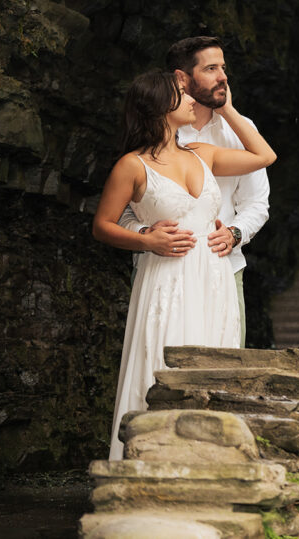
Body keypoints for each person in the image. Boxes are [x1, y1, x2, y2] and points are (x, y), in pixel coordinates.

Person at [93, 70, 276, 460]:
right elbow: (102, 226)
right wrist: (146, 239)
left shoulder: (203, 153)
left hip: (215, 280)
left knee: (215, 367)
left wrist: (226, 108)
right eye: (182, 94)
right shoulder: (132, 166)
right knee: (162, 364)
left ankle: (209, 464)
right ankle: (150, 463)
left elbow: (264, 155)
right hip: (167, 280)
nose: (193, 98)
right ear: (159, 105)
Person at [119, 36, 270, 348]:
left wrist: (235, 233)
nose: (223, 77)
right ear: (182, 78)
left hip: (224, 268)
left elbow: (257, 203)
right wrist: (147, 233)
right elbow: (122, 210)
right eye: (211, 68)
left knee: (224, 370)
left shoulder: (242, 129)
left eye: (224, 68)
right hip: (163, 271)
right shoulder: (154, 132)